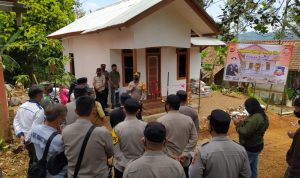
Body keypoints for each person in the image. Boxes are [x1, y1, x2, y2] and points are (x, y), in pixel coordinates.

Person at [189, 109, 251, 178]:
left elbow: (194, 175)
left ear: (211, 126)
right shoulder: (241, 150)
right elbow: (246, 175)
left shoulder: (202, 151)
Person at [62, 96, 114, 178]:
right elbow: (110, 153)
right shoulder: (102, 132)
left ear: (76, 111)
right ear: (94, 111)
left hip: (74, 175)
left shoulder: (65, 131)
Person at [157, 94, 198, 178]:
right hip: (185, 161)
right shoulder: (188, 120)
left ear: (167, 105)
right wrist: (185, 153)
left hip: (168, 161)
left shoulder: (161, 121)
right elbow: (194, 138)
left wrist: (171, 156)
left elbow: (158, 142)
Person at [234, 97, 269, 178]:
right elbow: (253, 128)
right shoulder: (263, 115)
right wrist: (243, 122)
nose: (247, 110)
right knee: (253, 168)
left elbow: (245, 132)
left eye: (247, 108)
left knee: (243, 170)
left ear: (251, 107)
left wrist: (238, 125)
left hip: (250, 147)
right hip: (258, 145)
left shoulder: (256, 118)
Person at [13, 85, 45, 173]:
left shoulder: (22, 106)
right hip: (33, 141)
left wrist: (21, 136)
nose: (42, 96)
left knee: (32, 158)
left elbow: (16, 121)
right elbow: (35, 129)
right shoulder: (39, 110)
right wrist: (26, 141)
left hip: (26, 139)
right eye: (41, 94)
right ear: (38, 95)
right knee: (37, 162)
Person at [112, 98, 147, 178]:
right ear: (138, 111)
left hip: (121, 168)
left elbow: (116, 151)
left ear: (124, 110)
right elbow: (148, 148)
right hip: (140, 167)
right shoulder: (146, 126)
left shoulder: (115, 129)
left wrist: (126, 164)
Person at [31, 104, 67, 178]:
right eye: (64, 118)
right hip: (57, 174)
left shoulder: (34, 129)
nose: (64, 120)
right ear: (59, 118)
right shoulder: (58, 140)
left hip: (40, 169)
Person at [285, 98, 300, 178]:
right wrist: (295, 135)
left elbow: (297, 154)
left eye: (295, 107)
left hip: (296, 167)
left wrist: (293, 169)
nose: (294, 110)